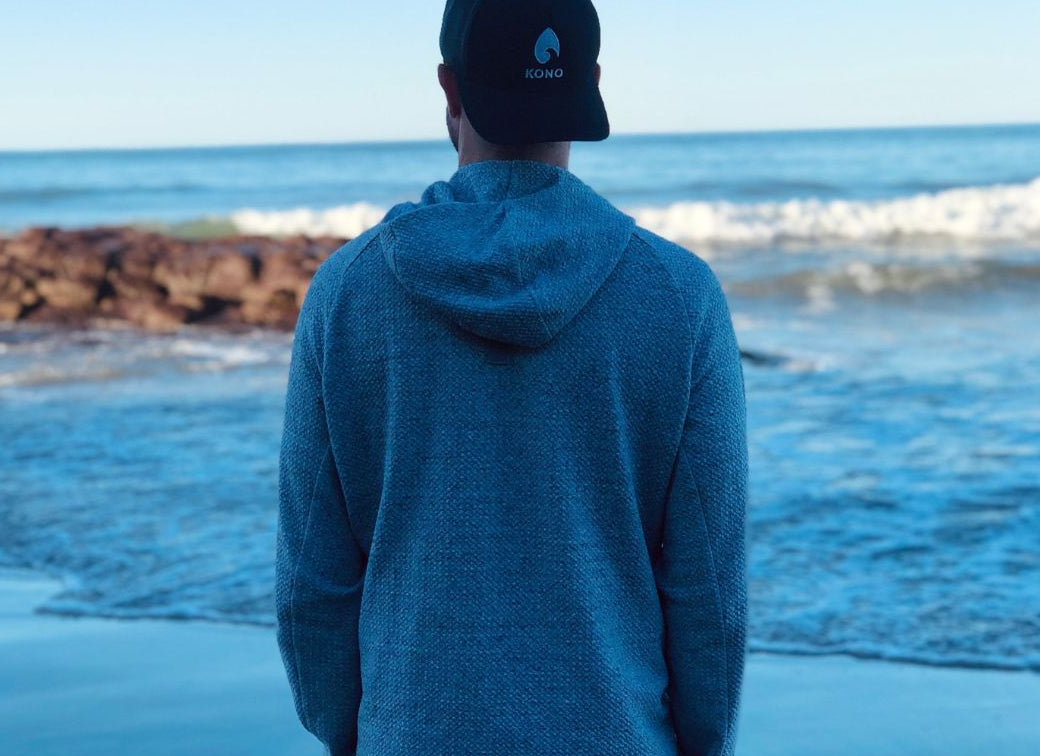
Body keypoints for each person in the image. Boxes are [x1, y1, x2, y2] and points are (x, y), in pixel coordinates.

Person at [274, 0, 748, 754]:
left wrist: (357, 734)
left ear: (450, 90)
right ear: (591, 82)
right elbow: (708, 590)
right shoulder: (678, 295)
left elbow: (312, 580)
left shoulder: (349, 293)